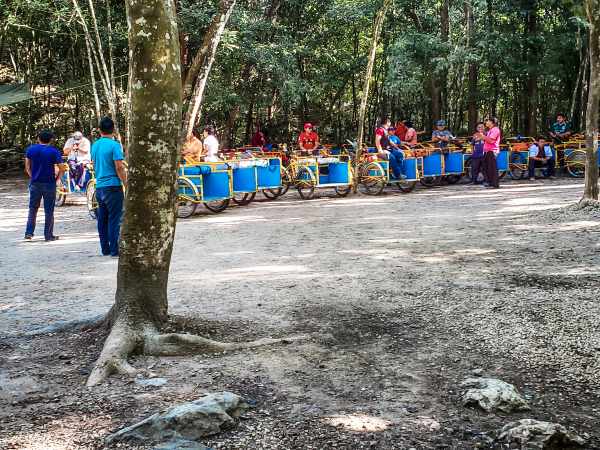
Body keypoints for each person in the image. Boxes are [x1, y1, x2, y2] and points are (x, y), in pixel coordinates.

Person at [91, 117, 126, 257]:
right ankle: (114, 250)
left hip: (99, 187)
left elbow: (94, 164)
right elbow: (119, 167)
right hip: (113, 186)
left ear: (100, 130)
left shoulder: (95, 145)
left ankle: (105, 248)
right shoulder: (114, 145)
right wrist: (126, 183)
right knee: (114, 219)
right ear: (114, 130)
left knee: (103, 219)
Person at [24, 130, 64, 241]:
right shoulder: (54, 151)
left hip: (35, 183)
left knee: (33, 209)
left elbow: (27, 167)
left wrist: (32, 176)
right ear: (50, 140)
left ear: (38, 139)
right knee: (49, 210)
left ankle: (29, 233)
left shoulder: (31, 149)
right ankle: (48, 235)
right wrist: (58, 179)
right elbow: (62, 168)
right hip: (49, 183)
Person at [478, 117, 501, 189]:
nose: (486, 122)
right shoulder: (490, 130)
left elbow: (491, 140)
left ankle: (494, 184)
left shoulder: (495, 130)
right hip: (487, 151)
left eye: (487, 121)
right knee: (487, 167)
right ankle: (490, 182)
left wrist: (483, 137)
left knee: (492, 168)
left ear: (492, 122)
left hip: (492, 151)